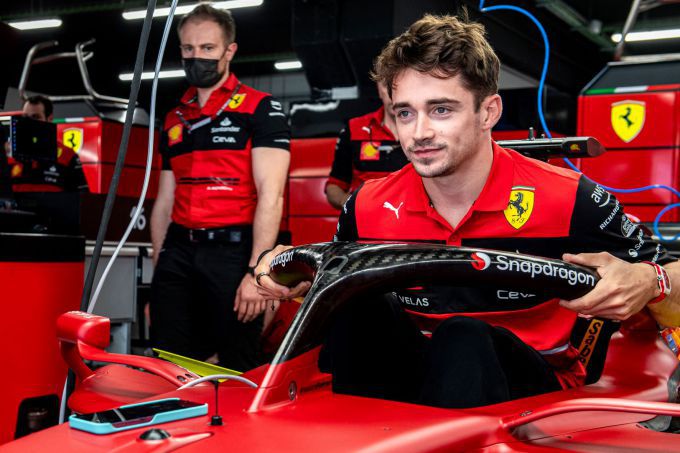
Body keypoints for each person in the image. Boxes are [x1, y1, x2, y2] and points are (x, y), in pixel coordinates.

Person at [255, 13, 680, 408]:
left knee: (462, 337)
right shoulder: (366, 204)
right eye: (405, 113)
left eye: (441, 110)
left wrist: (650, 280)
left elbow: (669, 272)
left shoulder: (571, 198)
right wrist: (285, 270)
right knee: (356, 307)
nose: (419, 132)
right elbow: (326, 282)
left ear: (488, 112)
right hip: (412, 374)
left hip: (532, 386)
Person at [150, 4, 290, 370]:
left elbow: (272, 195)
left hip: (233, 252)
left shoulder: (261, 109)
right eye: (188, 48)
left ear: (229, 51)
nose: (196, 56)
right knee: (167, 357)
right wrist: (161, 262)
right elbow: (164, 199)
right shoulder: (174, 117)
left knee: (234, 361)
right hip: (178, 250)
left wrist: (257, 273)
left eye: (207, 48)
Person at [325, 82, 408, 209]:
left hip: (413, 216)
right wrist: (350, 205)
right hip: (365, 217)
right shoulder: (354, 129)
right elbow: (335, 186)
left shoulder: (425, 131)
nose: (393, 95)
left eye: (400, 86)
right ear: (379, 88)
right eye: (388, 86)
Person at [4, 95, 87, 192]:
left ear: (49, 119)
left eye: (35, 117)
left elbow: (82, 197)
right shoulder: (8, 154)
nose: (29, 122)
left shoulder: (67, 155)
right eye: (25, 117)